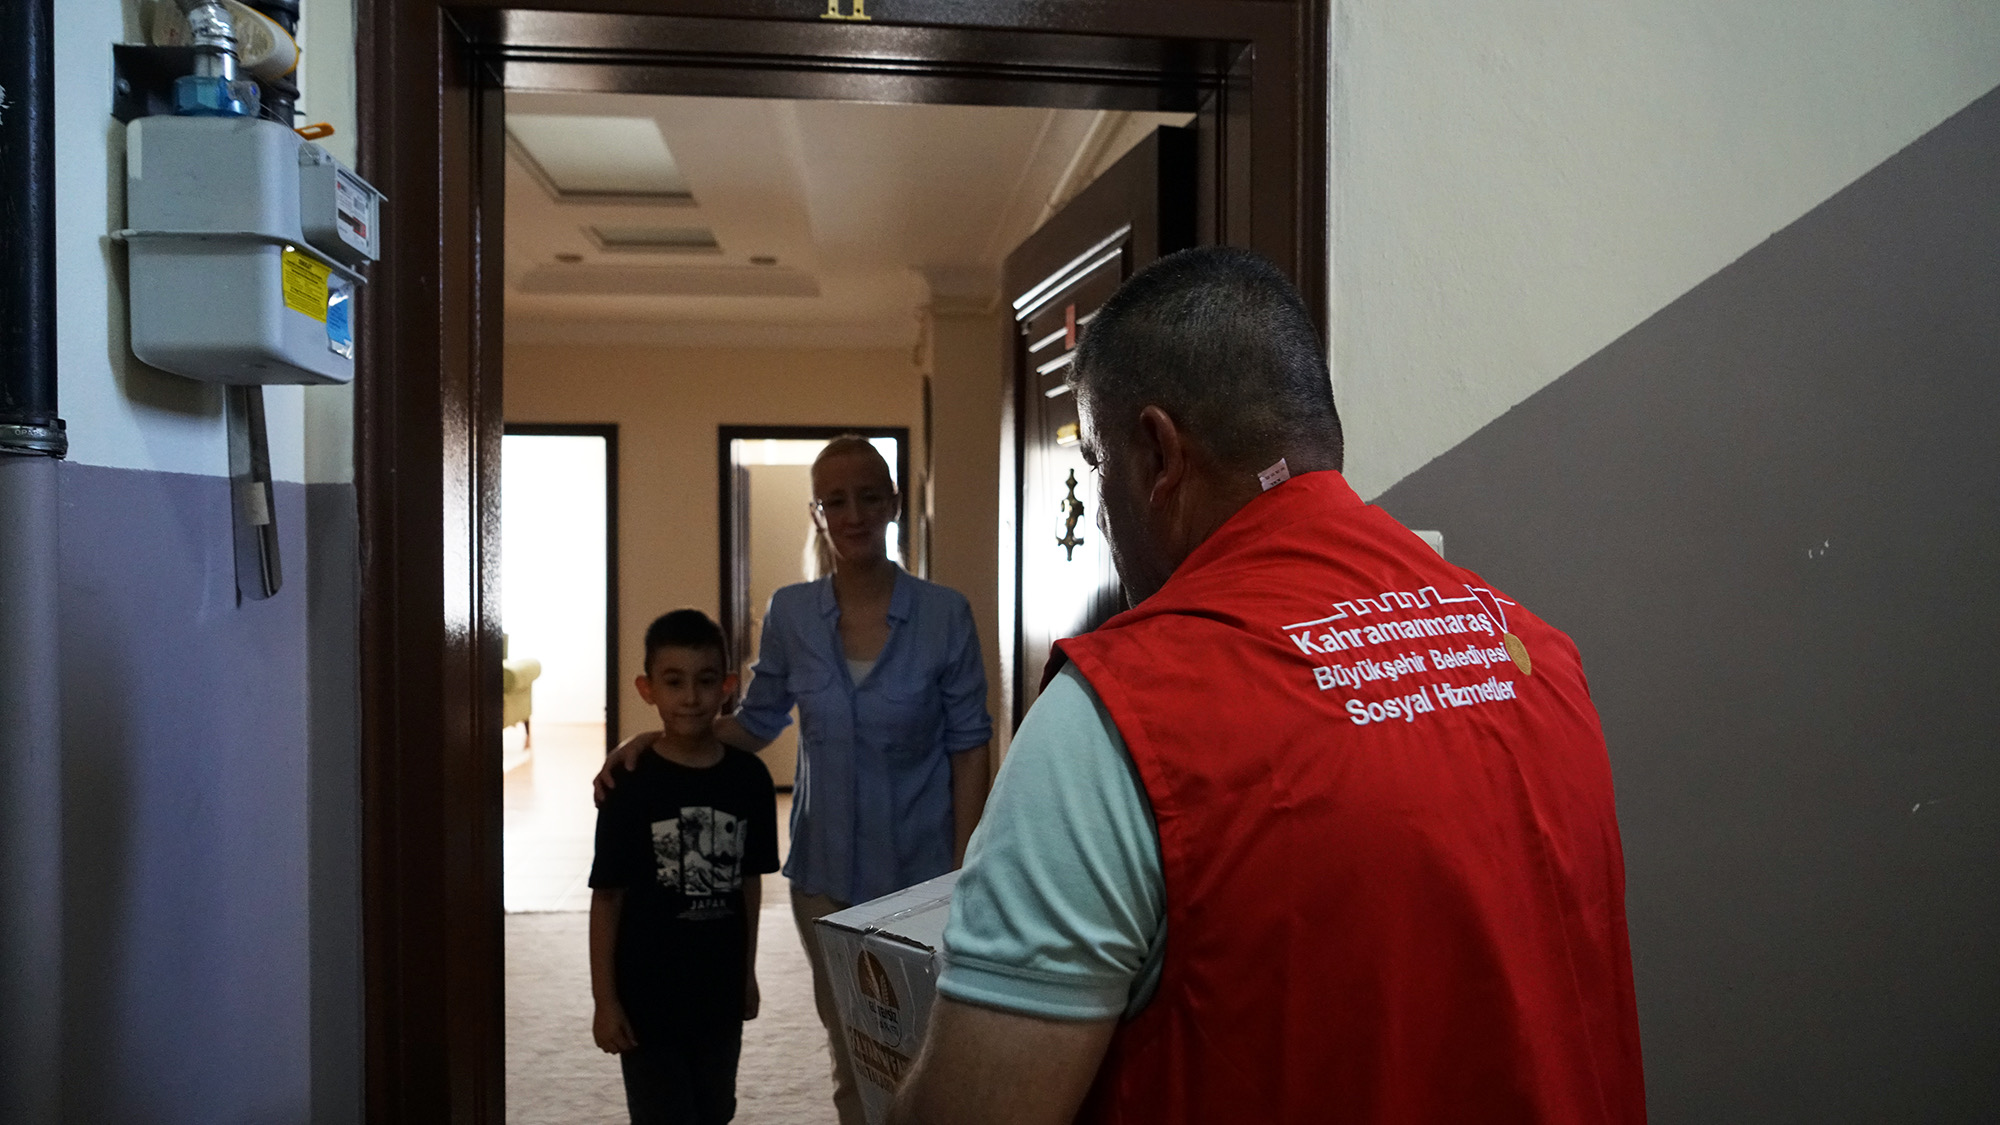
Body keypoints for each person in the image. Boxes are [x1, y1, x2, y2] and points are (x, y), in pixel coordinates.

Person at [889, 248, 1646, 1124]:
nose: (1097, 512)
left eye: (1096, 463)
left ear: (1157, 453)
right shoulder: (1532, 653)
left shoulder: (1112, 723)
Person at [597, 436, 993, 1125]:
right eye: (835, 501)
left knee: (926, 1047)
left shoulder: (944, 615)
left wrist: (962, 874)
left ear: (894, 503)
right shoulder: (792, 613)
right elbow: (755, 722)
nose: (853, 514)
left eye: (869, 496)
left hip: (922, 871)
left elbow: (969, 748)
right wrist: (654, 741)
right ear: (818, 514)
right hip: (824, 876)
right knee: (854, 1051)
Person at [589, 609, 780, 1125]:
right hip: (646, 995)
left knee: (715, 1110)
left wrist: (747, 972)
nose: (691, 697)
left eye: (706, 681)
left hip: (718, 990)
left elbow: (749, 883)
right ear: (647, 689)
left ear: (728, 686)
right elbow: (607, 896)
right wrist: (605, 1001)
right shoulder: (628, 784)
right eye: (674, 682)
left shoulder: (750, 780)